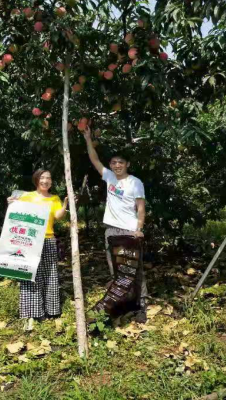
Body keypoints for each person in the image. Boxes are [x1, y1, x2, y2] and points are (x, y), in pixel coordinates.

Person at [83, 126, 148, 322]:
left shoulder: (135, 182)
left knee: (135, 270)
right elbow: (94, 160)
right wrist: (88, 138)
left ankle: (141, 305)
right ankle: (120, 305)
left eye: (120, 162)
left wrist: (139, 230)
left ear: (127, 164)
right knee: (116, 270)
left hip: (129, 232)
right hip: (111, 231)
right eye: (113, 162)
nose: (117, 165)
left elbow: (141, 208)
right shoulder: (109, 177)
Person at [7, 169, 68, 331]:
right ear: (36, 180)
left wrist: (66, 205)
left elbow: (59, 216)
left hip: (48, 238)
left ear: (51, 182)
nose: (45, 181)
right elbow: (15, 212)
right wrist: (10, 203)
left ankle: (52, 310)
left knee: (50, 274)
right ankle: (34, 312)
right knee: (29, 274)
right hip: (29, 240)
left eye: (48, 178)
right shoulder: (26, 196)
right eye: (42, 178)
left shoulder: (54, 198)